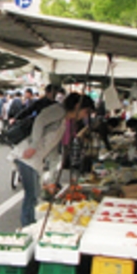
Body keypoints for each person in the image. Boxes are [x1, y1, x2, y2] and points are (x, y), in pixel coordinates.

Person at [11, 92, 95, 227]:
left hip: (36, 159)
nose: (85, 115)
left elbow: (53, 145)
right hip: (27, 155)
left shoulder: (64, 119)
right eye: (86, 111)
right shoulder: (58, 110)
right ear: (78, 105)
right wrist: (33, 145)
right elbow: (40, 121)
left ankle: (30, 223)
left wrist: (54, 166)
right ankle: (27, 226)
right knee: (32, 194)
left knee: (35, 194)